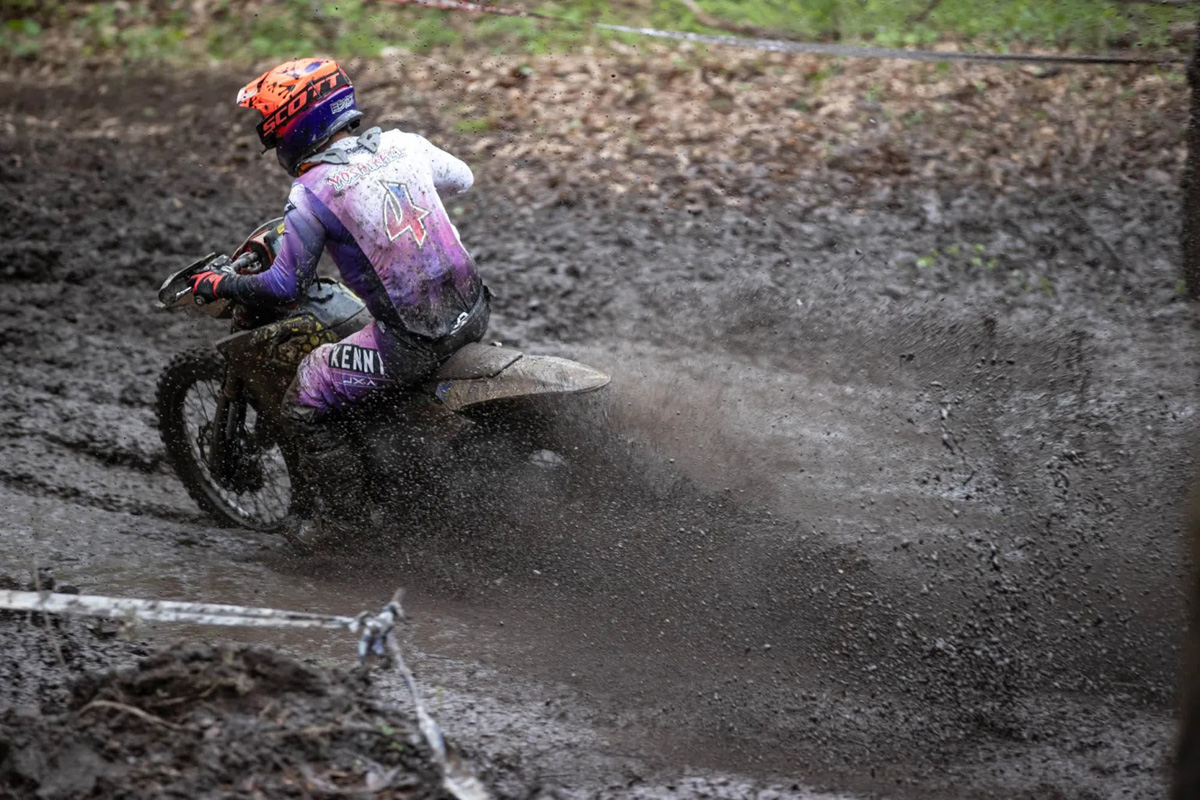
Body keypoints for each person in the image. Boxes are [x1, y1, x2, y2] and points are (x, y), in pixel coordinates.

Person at [189, 58, 490, 546]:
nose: (271, 141)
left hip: (412, 341)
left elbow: (287, 286)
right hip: (474, 311)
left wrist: (219, 285)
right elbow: (464, 179)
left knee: (306, 391)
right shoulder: (404, 144)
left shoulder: (312, 192)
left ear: (293, 126)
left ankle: (340, 524)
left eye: (271, 130)